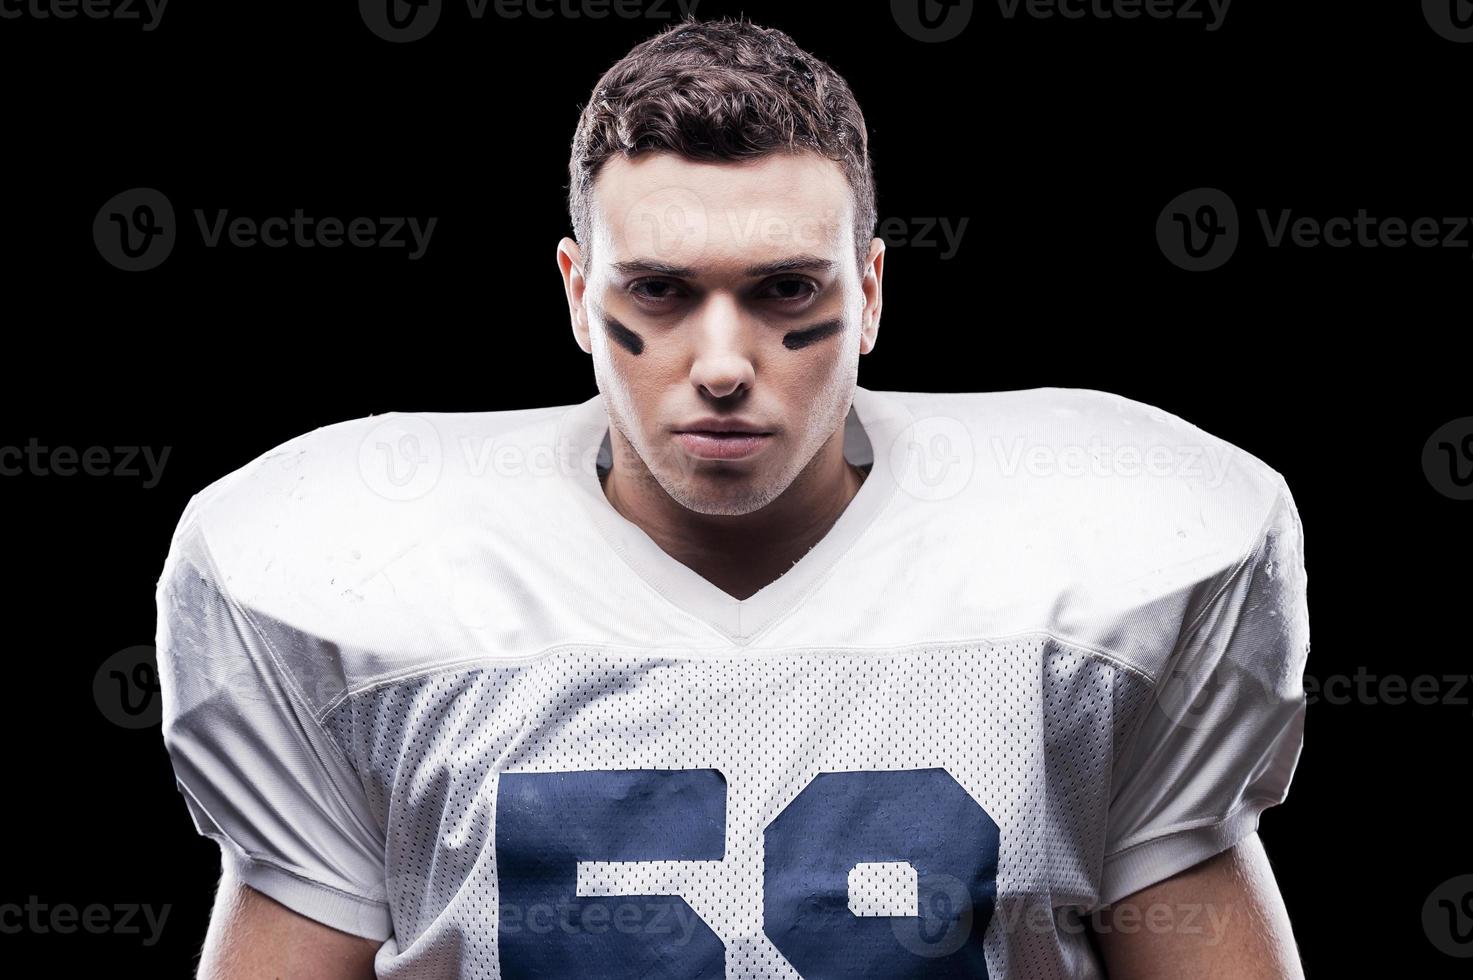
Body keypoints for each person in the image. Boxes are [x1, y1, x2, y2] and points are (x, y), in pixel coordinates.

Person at [155, 15, 1310, 978]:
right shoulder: (362, 591)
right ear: (575, 292)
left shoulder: (1103, 568)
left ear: (868, 292)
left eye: (783, 289)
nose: (720, 357)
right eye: (656, 289)